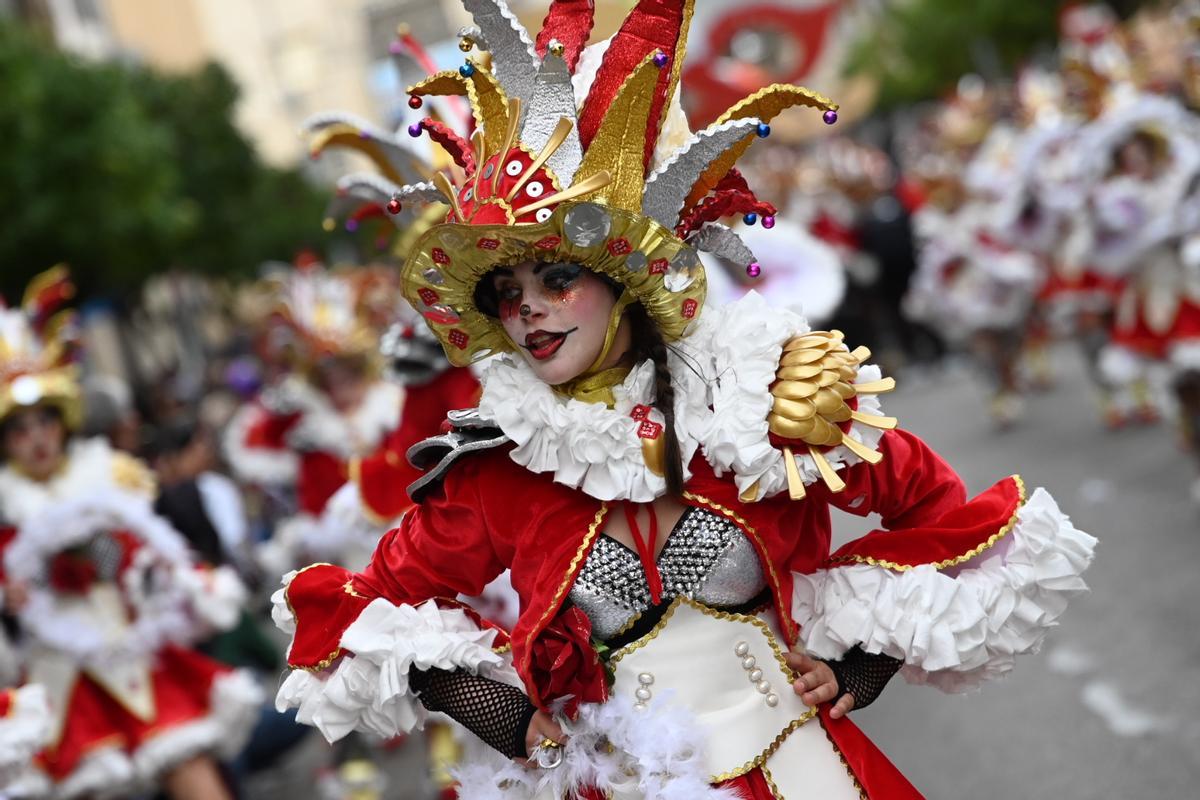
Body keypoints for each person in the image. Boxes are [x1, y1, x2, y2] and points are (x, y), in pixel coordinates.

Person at [272, 2, 1097, 798]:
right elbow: (370, 605)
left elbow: (935, 506)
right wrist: (492, 708)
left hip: (803, 770)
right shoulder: (499, 471)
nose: (527, 309)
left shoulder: (758, 402)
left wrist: (863, 664)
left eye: (557, 279)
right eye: (506, 293)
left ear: (625, 283)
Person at [0, 269, 261, 799]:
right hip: (60, 675)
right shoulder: (5, 507)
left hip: (134, 648)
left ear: (63, 423)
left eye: (44, 423)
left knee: (196, 776)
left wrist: (175, 580)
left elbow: (156, 551)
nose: (36, 440)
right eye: (19, 431)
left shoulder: (111, 475)